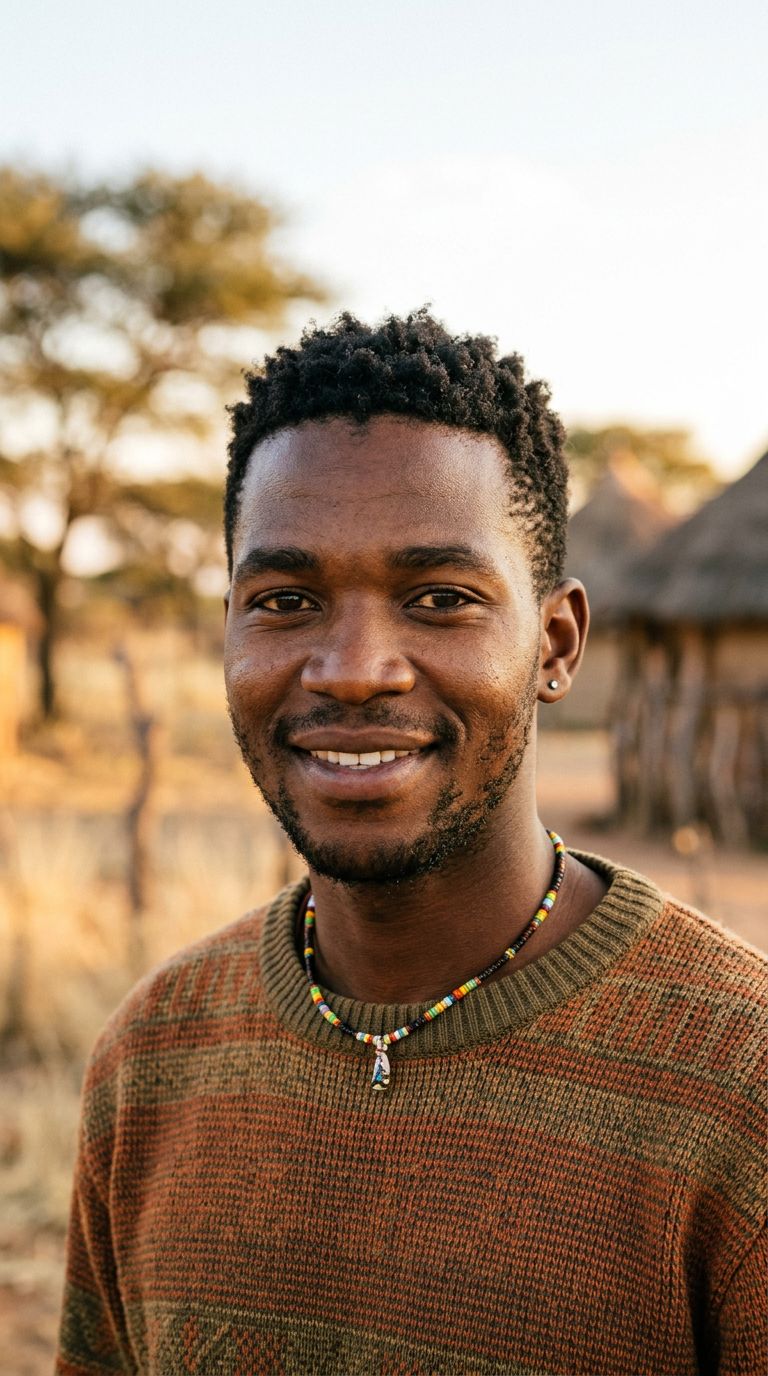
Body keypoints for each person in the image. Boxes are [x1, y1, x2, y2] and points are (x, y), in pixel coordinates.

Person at [56, 311, 767, 1376]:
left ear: (555, 643)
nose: (352, 667)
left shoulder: (741, 1087)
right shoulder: (149, 1062)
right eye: (284, 600)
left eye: (440, 598)